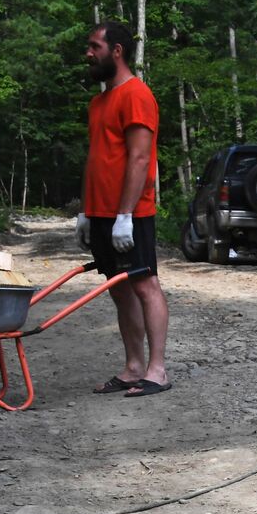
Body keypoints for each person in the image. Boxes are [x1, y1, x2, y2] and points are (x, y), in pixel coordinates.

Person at [77, 21, 172, 397]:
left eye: (94, 46)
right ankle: (133, 366)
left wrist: (125, 216)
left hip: (130, 215)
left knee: (145, 284)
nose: (88, 53)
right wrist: (87, 211)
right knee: (119, 290)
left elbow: (139, 158)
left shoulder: (136, 95)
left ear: (116, 50)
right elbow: (95, 160)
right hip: (101, 213)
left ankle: (158, 370)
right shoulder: (98, 102)